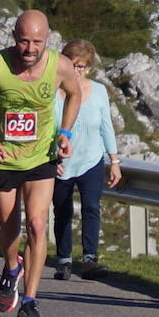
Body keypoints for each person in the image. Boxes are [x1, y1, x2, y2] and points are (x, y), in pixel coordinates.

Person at [0, 11, 81, 317]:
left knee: (37, 224)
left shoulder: (59, 65)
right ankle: (11, 267)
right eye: (23, 41)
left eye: (37, 42)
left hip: (41, 156)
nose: (29, 49)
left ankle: (30, 303)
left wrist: (66, 132)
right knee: (11, 227)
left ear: (47, 40)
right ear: (13, 36)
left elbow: (74, 94)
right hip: (4, 157)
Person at [51, 40, 120, 280]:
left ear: (88, 68)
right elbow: (48, 126)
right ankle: (64, 260)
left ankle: (90, 258)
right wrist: (51, 156)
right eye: (73, 64)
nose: (77, 70)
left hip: (91, 158)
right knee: (62, 210)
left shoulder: (98, 91)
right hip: (61, 160)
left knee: (92, 207)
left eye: (82, 66)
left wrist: (114, 161)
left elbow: (106, 126)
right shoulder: (53, 91)